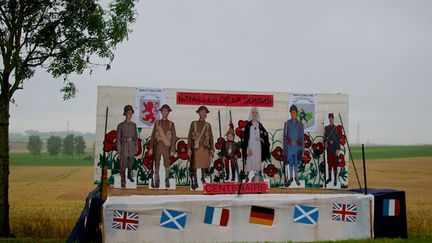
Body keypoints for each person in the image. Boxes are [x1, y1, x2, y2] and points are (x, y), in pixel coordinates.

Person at [148, 104, 177, 188]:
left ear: (168, 112)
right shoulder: (157, 123)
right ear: (161, 112)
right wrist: (151, 148)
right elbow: (153, 136)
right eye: (163, 110)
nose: (165, 112)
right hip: (158, 146)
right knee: (157, 163)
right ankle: (157, 179)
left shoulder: (171, 124)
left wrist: (172, 149)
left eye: (166, 111)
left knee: (166, 163)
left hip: (166, 147)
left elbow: (173, 137)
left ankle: (167, 178)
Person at [187, 106, 215, 190]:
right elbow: (189, 137)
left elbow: (211, 137)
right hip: (196, 148)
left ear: (206, 114)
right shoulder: (193, 123)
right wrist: (189, 148)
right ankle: (195, 180)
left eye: (204, 112)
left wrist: (212, 149)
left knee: (204, 165)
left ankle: (202, 178)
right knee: (194, 165)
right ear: (198, 113)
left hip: (205, 147)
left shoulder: (208, 125)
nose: (203, 113)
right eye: (201, 112)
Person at [241, 107, 270, 182]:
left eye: (256, 112)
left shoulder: (259, 125)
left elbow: (265, 134)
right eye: (253, 112)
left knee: (257, 159)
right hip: (250, 145)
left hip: (258, 146)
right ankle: (247, 175)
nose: (255, 114)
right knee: (249, 160)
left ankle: (256, 175)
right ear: (251, 113)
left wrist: (262, 139)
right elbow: (246, 138)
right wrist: (246, 148)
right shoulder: (248, 125)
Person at [116, 105, 138, 188]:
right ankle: (123, 179)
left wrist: (136, 146)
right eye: (128, 113)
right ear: (125, 114)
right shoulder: (121, 125)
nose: (130, 114)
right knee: (123, 163)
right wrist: (119, 150)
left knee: (131, 161)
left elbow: (136, 137)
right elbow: (118, 139)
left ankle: (129, 174)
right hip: (124, 147)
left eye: (131, 113)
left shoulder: (134, 125)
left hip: (131, 146)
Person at [283, 104, 305, 187]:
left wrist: (303, 150)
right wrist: (284, 149)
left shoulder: (300, 125)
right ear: (290, 113)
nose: (293, 114)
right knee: (290, 162)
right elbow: (284, 137)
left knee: (296, 162)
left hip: (297, 147)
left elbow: (302, 138)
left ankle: (296, 177)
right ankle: (290, 177)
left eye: (294, 112)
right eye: (291, 112)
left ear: (297, 113)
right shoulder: (287, 124)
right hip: (289, 147)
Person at [324, 113, 340, 186]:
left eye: (332, 118)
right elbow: (325, 137)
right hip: (329, 148)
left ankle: (335, 179)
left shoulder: (335, 128)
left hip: (334, 148)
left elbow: (338, 139)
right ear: (328, 119)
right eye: (329, 118)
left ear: (333, 119)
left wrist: (337, 149)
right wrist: (325, 143)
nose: (330, 119)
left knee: (335, 164)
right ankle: (330, 178)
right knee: (329, 164)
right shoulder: (326, 128)